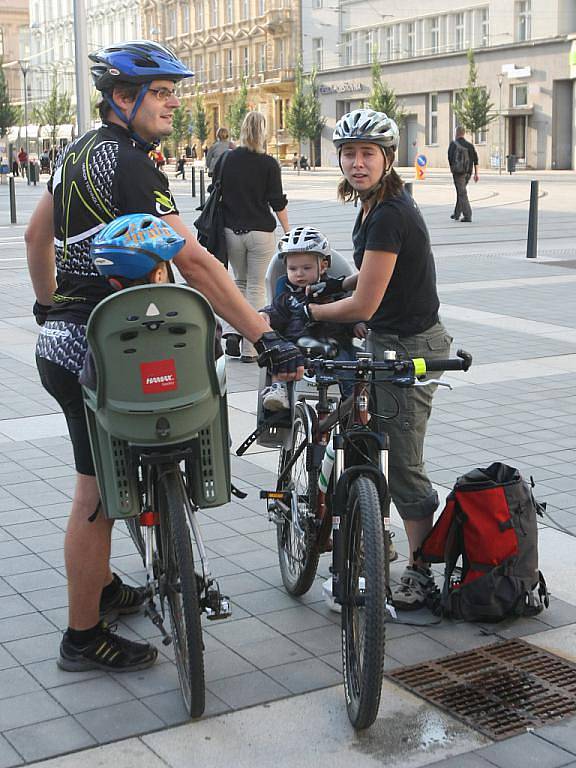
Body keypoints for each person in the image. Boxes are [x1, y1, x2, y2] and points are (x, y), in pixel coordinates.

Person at [26, 40, 304, 674]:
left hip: (68, 339)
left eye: (176, 91)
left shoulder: (77, 154)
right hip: (99, 348)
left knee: (98, 481)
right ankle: (82, 636)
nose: (175, 103)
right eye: (163, 93)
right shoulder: (130, 164)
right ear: (124, 99)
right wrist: (263, 334)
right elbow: (197, 262)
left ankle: (100, 588)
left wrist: (50, 307)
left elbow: (34, 237)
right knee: (94, 495)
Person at [303, 108, 453, 611]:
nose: (357, 162)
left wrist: (311, 308)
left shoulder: (389, 213)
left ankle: (419, 570)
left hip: (412, 348)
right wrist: (338, 283)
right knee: (367, 436)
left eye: (368, 153)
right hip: (386, 339)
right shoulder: (372, 204)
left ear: (388, 159)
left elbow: (364, 304)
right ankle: (373, 534)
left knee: (406, 461)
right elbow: (371, 276)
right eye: (348, 153)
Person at [259, 226, 365, 411]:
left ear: (323, 266)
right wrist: (266, 315)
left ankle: (351, 403)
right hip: (297, 346)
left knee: (350, 365)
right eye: (293, 268)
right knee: (280, 356)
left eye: (306, 268)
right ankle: (279, 390)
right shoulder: (286, 295)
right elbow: (277, 311)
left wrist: (356, 324)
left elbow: (347, 308)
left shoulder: (333, 290)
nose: (299, 273)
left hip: (332, 346)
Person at [218, 110, 290, 362]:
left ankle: (232, 333)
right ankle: (251, 347)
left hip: (231, 232)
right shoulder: (269, 163)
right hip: (260, 232)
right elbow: (277, 201)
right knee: (257, 287)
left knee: (239, 283)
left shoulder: (227, 159)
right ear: (263, 131)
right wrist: (288, 230)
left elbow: (216, 190)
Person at [448, 126, 479, 223]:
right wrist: (476, 174)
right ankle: (456, 214)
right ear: (464, 133)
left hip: (458, 173)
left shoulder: (453, 144)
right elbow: (476, 160)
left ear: (456, 133)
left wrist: (453, 169)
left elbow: (450, 158)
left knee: (462, 193)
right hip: (468, 173)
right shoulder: (470, 145)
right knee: (461, 192)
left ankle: (467, 215)